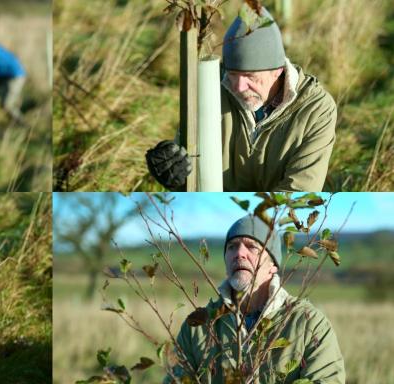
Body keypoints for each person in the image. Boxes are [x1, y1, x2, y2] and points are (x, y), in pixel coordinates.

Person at [146, 7, 337, 191]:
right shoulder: (209, 90)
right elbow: (192, 180)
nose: (237, 87)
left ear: (278, 71)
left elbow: (299, 193)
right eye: (232, 74)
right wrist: (174, 175)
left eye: (250, 77)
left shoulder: (317, 110)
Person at [164, 215, 345, 383]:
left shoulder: (308, 324)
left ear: (273, 265)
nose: (239, 253)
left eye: (252, 246)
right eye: (232, 247)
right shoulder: (198, 326)